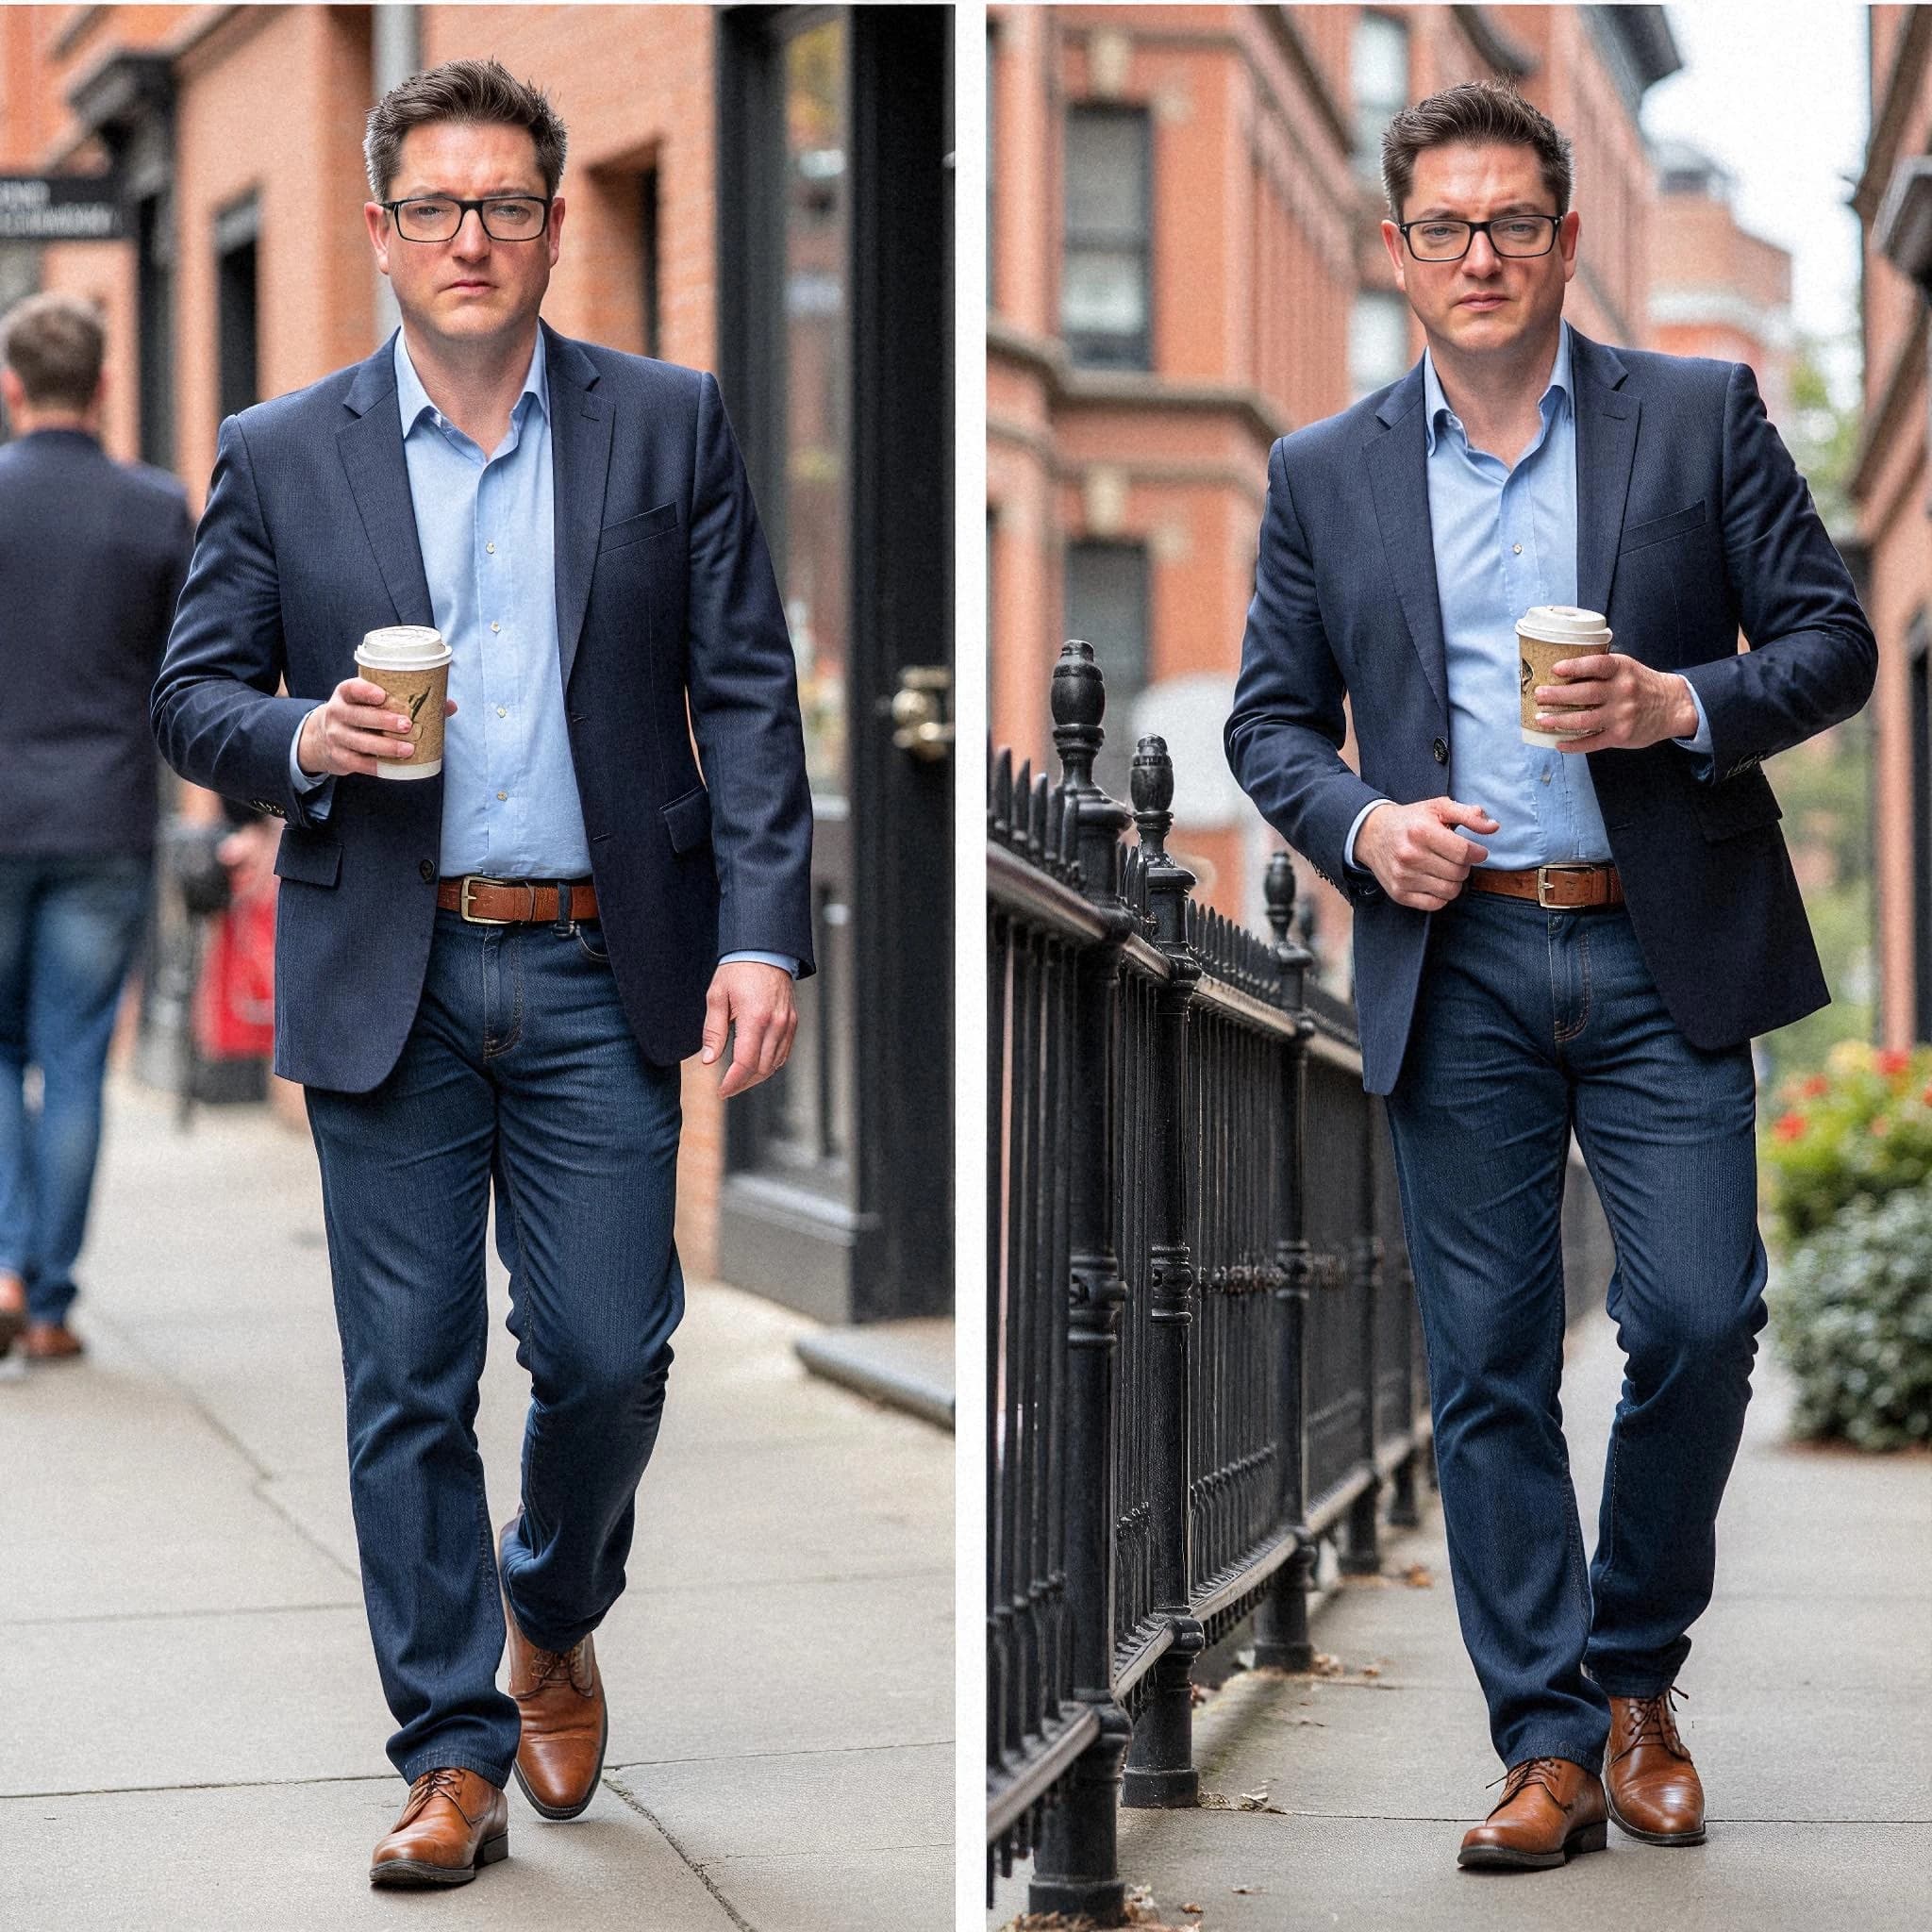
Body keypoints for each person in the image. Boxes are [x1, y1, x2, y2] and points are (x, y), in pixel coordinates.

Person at [152, 58, 813, 1889]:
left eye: (506, 204)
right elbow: (190, 694)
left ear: (546, 223)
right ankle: (451, 1749)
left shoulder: (665, 421)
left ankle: (550, 1606)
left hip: (609, 964)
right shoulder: (287, 447)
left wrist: (764, 928)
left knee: (611, 1348)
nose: (471, 235)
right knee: (408, 1377)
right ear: (378, 230)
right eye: (435, 205)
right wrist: (310, 737)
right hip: (391, 967)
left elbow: (746, 692)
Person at [1225, 82, 1874, 1873]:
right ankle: (1545, 1740)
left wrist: (1678, 705)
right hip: (1464, 952)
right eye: (1444, 226)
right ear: (1398, 252)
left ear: (1568, 238)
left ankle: (1631, 1672)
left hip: (1663, 942)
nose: (1481, 254)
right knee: (1490, 1365)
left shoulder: (1693, 414)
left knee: (1692, 1317)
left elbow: (1832, 643)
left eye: (1513, 221)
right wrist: (1363, 830)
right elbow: (1267, 722)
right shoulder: (1323, 470)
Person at [0, 292, 193, 1364]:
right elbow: (202, 678)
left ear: (11, 385)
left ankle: (4, 1258)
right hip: (106, 819)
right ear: (107, 386)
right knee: (75, 1058)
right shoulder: (156, 507)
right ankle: (52, 1300)